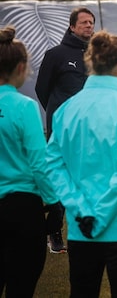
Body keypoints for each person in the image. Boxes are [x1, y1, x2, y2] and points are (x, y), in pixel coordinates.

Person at [45, 30, 117, 298]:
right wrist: (100, 216)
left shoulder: (67, 109)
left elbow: (53, 166)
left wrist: (81, 210)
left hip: (82, 230)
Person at [0, 26, 60, 297]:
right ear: (21, 67)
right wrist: (55, 205)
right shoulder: (24, 106)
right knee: (20, 288)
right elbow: (39, 162)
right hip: (22, 209)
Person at [35, 6, 96, 253]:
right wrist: (58, 114)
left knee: (88, 178)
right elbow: (42, 89)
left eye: (91, 22)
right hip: (62, 130)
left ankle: (86, 228)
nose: (89, 26)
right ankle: (54, 232)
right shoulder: (56, 54)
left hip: (90, 130)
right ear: (72, 26)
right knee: (59, 180)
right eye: (83, 22)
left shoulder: (97, 55)